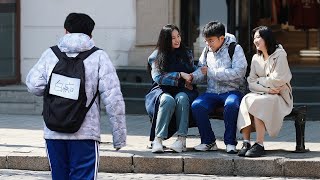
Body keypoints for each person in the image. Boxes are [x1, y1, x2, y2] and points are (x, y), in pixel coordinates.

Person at [26, 13, 126, 179]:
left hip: (54, 132)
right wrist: (119, 137)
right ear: (90, 34)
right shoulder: (99, 57)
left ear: (66, 31)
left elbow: (34, 85)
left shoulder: (50, 54)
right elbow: (113, 98)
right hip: (86, 133)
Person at [191, 21, 247, 154]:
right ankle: (208, 141)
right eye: (206, 41)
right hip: (212, 92)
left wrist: (212, 72)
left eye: (211, 41)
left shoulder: (235, 48)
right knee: (197, 105)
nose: (208, 44)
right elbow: (202, 71)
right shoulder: (207, 50)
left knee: (231, 104)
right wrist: (192, 78)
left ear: (221, 38)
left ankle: (230, 143)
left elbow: (239, 72)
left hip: (233, 91)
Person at [237, 26, 293, 157]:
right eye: (254, 38)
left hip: (279, 95)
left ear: (266, 38)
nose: (255, 40)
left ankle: (259, 144)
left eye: (258, 37)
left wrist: (260, 81)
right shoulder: (256, 58)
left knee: (257, 102)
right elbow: (251, 82)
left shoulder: (280, 54)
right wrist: (266, 87)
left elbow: (279, 79)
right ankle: (246, 142)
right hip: (267, 92)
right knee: (246, 99)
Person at [145, 24, 198, 153]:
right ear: (165, 40)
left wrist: (194, 76)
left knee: (182, 98)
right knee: (167, 100)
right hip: (161, 90)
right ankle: (158, 140)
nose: (177, 40)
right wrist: (180, 75)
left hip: (182, 89)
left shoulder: (187, 53)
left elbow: (193, 71)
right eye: (173, 38)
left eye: (178, 36)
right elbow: (158, 77)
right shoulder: (156, 55)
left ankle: (181, 140)